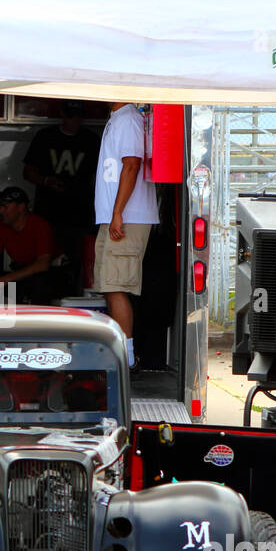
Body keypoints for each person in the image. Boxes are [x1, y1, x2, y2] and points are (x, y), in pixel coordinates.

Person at [93, 103, 158, 371]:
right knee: (109, 285)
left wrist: (118, 212)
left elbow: (132, 165)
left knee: (116, 286)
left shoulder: (129, 118)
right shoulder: (118, 118)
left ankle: (126, 359)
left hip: (127, 216)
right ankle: (122, 355)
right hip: (114, 216)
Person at [23, 100, 100, 291]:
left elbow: (99, 178)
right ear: (62, 115)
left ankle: (71, 300)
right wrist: (46, 181)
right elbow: (28, 172)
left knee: (76, 266)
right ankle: (43, 300)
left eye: (78, 117)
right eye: (70, 116)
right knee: (44, 264)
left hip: (79, 216)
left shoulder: (91, 140)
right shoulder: (45, 137)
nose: (74, 121)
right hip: (47, 215)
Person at [0, 186, 59, 305]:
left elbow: (43, 264)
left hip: (50, 273)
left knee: (41, 283)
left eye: (5, 207)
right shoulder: (1, 226)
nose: (0, 211)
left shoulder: (40, 225)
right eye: (0, 207)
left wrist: (4, 280)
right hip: (20, 271)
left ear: (21, 207)